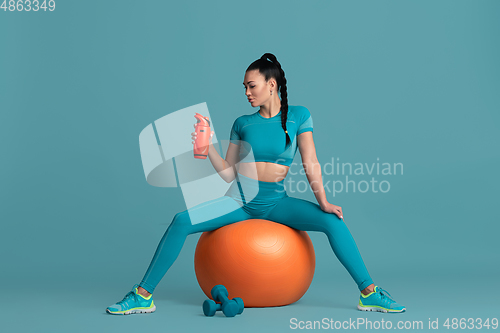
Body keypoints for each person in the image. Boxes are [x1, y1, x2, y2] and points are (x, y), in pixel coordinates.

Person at [106, 53, 405, 315]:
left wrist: (323, 201)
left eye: (252, 86)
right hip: (239, 201)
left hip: (277, 203)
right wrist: (208, 145)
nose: (247, 92)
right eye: (245, 87)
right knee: (180, 221)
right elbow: (227, 173)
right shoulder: (242, 123)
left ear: (271, 85)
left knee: (333, 220)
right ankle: (142, 296)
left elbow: (310, 162)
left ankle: (369, 293)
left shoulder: (299, 116)